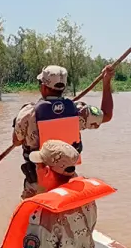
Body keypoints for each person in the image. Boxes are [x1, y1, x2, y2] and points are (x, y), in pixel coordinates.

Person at [12, 64, 115, 199]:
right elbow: (107, 115)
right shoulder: (78, 111)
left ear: (43, 87)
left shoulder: (28, 113)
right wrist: (106, 82)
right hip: (67, 180)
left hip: (39, 183)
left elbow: (16, 141)